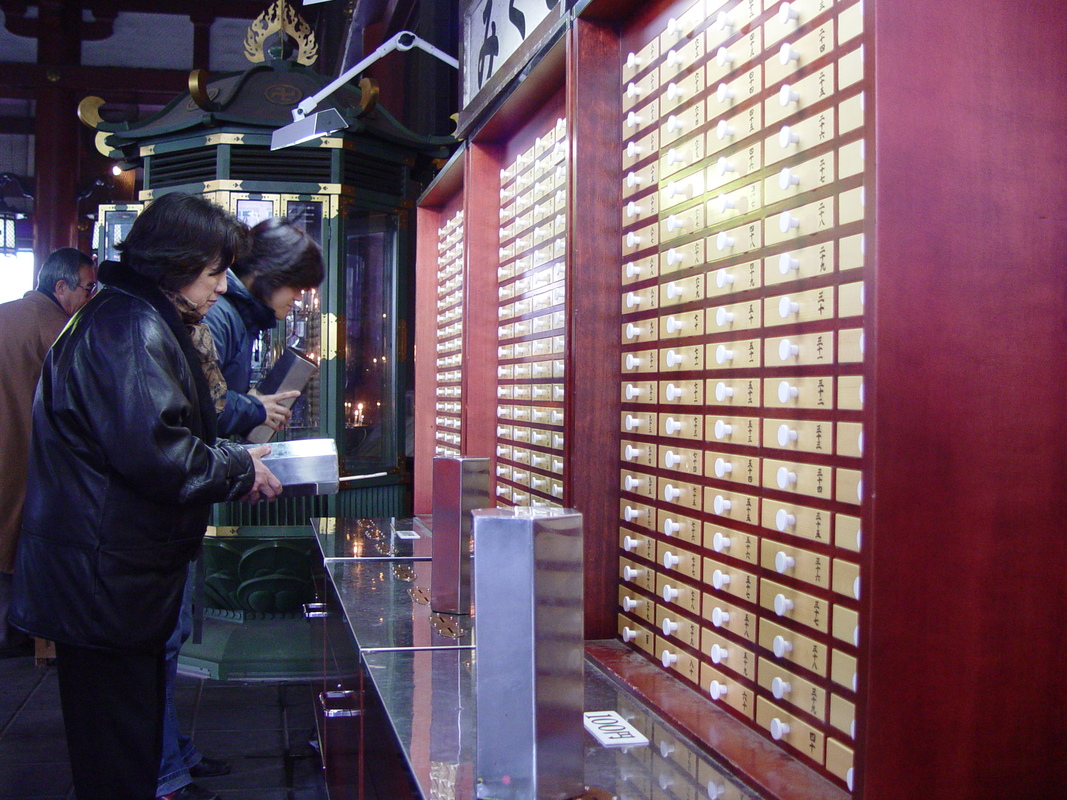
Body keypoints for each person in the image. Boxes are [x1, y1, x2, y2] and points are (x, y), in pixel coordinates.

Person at [7, 192, 282, 800]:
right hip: (104, 582)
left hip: (106, 578)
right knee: (117, 759)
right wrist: (238, 468)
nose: (220, 289)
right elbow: (158, 452)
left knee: (120, 748)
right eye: (214, 273)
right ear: (178, 263)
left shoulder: (129, 315)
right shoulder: (129, 325)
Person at [155, 217, 322, 800]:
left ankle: (173, 756)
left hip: (193, 494)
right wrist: (253, 412)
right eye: (210, 275)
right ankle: (165, 770)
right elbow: (202, 415)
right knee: (164, 640)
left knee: (169, 638)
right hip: (164, 514)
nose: (219, 287)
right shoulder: (221, 319)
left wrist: (249, 408)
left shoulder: (224, 318)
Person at [0, 247, 96, 657]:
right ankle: (38, 641)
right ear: (61, 287)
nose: (92, 297)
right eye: (88, 288)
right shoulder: (62, 328)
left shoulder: (5, 313)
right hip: (33, 460)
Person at [205, 216, 324, 440]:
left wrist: (252, 406)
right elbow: (199, 404)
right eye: (296, 286)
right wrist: (255, 408)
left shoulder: (239, 316)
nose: (298, 298)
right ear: (268, 273)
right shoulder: (218, 315)